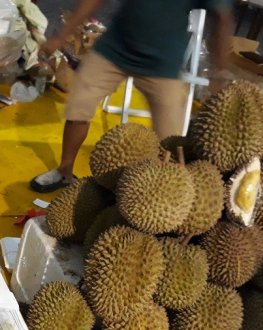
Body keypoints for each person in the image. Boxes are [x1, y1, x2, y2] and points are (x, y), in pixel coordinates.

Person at [29, 0, 234, 193]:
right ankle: (64, 171)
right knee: (79, 105)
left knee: (170, 139)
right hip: (115, 49)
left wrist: (220, 71)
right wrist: (61, 35)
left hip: (163, 61)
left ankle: (162, 193)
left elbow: (222, 17)